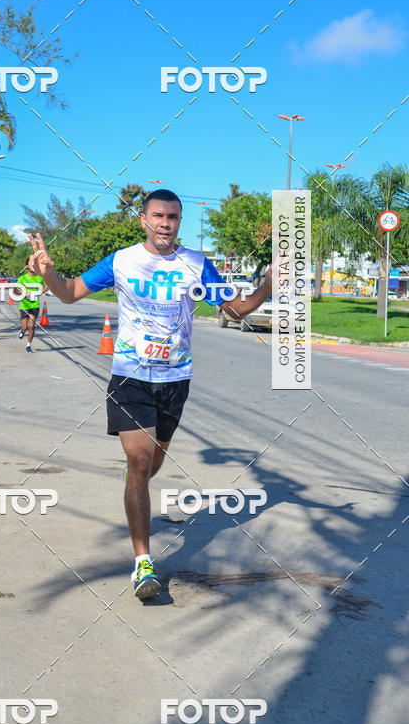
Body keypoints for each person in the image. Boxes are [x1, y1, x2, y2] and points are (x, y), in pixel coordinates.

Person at [28, 189, 274, 600]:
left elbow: (235, 310)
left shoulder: (196, 264)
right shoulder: (122, 261)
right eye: (158, 216)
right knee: (139, 461)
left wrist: (267, 285)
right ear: (143, 219)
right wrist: (48, 273)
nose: (165, 223)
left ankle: (135, 485)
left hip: (176, 380)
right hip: (130, 378)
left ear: (180, 222)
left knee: (151, 463)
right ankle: (143, 563)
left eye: (173, 217)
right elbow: (70, 292)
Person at [16, 257, 47, 352]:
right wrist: (24, 293)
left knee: (32, 325)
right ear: (27, 266)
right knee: (25, 326)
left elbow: (45, 287)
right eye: (31, 263)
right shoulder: (22, 278)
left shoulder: (40, 278)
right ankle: (22, 330)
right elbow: (16, 290)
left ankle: (28, 345)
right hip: (24, 306)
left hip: (35, 305)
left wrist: (42, 291)